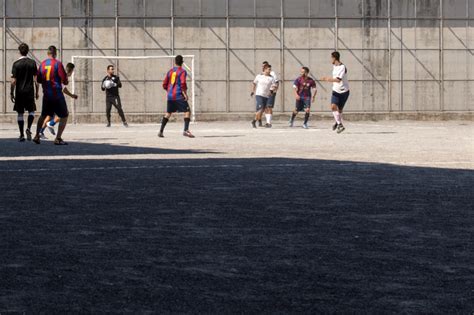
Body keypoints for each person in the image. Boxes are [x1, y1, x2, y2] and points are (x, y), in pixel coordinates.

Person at [33, 45, 70, 145]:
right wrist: (66, 80)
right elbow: (64, 80)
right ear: (55, 53)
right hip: (57, 95)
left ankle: (37, 135)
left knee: (43, 115)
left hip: (47, 96)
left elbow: (39, 80)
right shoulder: (58, 63)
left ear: (48, 53)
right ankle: (58, 138)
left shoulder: (42, 64)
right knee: (65, 115)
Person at [158, 55, 194, 138]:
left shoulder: (170, 71)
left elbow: (164, 84)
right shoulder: (182, 71)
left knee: (168, 113)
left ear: (175, 62)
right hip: (178, 95)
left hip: (170, 96)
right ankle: (186, 130)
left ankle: (161, 131)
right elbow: (182, 84)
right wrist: (185, 94)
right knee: (187, 111)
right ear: (182, 62)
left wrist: (169, 91)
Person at [40, 63, 78, 139]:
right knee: (64, 114)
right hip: (56, 96)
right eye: (72, 71)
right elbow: (63, 89)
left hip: (49, 95)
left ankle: (40, 132)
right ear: (70, 70)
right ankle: (51, 125)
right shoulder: (63, 75)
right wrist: (72, 95)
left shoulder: (59, 73)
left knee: (50, 115)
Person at [10, 43, 39, 142]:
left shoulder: (16, 64)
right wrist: (37, 92)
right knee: (31, 111)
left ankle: (22, 134)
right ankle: (29, 129)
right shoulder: (32, 63)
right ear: (28, 51)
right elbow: (36, 80)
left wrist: (11, 93)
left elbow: (13, 81)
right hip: (30, 91)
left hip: (20, 92)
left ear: (19, 51)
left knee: (20, 113)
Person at [321, 51, 350, 134]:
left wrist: (328, 79)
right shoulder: (334, 66)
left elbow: (338, 80)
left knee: (340, 110)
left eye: (331, 58)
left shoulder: (342, 67)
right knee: (333, 107)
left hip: (344, 91)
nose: (330, 60)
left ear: (334, 58)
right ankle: (340, 124)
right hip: (335, 91)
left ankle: (337, 122)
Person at [259, 61, 279, 127]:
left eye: (264, 66)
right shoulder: (261, 74)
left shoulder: (272, 73)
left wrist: (274, 91)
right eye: (262, 66)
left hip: (270, 93)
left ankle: (269, 123)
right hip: (263, 93)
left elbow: (276, 82)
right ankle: (266, 122)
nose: (262, 67)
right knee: (264, 108)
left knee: (269, 107)